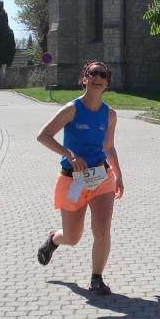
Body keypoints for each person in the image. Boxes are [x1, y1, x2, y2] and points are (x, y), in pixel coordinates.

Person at [35, 60, 124, 295]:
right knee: (72, 237)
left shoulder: (110, 115)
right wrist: (69, 154)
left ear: (107, 83)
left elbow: (109, 147)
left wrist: (119, 175)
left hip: (101, 178)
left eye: (103, 75)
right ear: (84, 78)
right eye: (92, 73)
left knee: (102, 230)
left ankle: (97, 278)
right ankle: (54, 240)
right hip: (72, 180)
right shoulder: (72, 109)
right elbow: (43, 136)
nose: (97, 78)